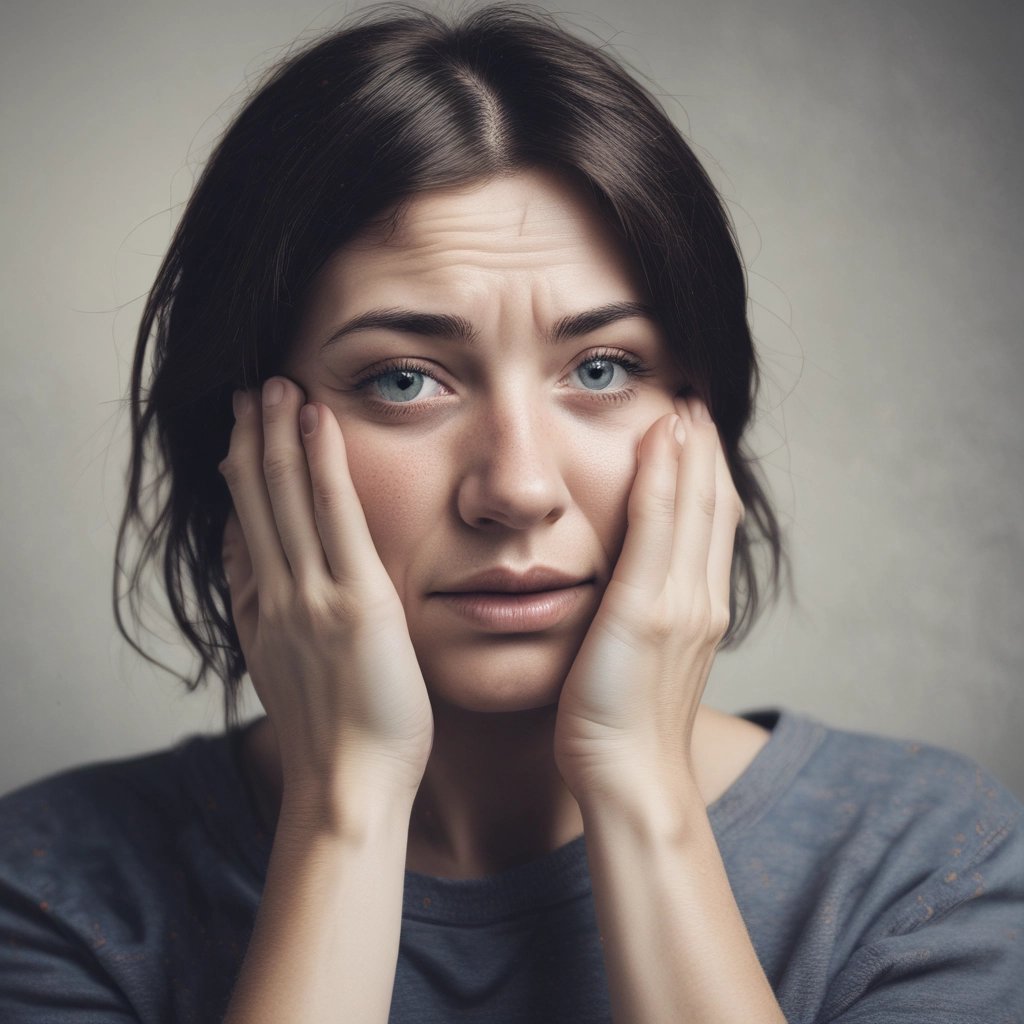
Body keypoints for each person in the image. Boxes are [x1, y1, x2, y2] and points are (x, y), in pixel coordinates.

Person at [1, 5, 1021, 1022]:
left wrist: (640, 795)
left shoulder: (926, 868)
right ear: (238, 440)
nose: (519, 488)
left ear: (703, 412)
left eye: (602, 367)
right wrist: (345, 811)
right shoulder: (60, 896)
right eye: (404, 380)